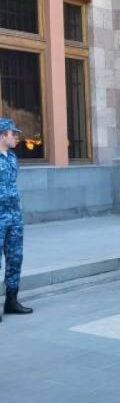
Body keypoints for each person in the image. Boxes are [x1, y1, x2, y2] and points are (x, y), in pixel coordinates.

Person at [0, 118, 33, 318]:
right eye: (13, 134)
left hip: (13, 216)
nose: (17, 137)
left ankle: (11, 301)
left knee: (15, 258)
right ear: (2, 136)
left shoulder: (12, 157)